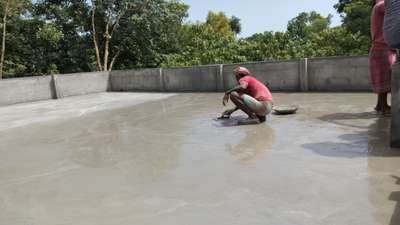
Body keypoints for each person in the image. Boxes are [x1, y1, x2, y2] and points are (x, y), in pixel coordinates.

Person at [369, 0, 398, 114]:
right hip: (382, 47)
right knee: (385, 78)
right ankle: (384, 107)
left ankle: (379, 105)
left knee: (382, 78)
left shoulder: (377, 6)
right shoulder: (381, 5)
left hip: (378, 47)